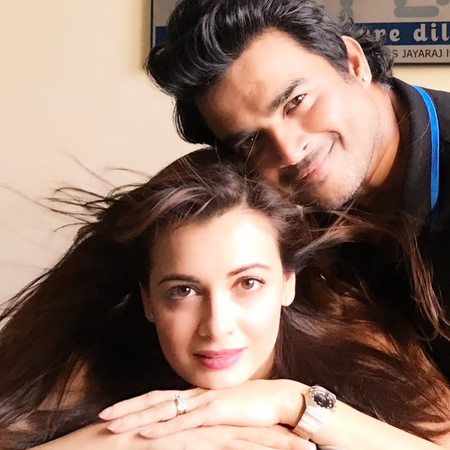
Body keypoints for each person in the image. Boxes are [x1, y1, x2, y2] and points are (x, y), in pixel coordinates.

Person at [0, 149, 449, 450]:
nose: (216, 326)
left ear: (287, 284)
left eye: (248, 283)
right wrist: (134, 438)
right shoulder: (91, 381)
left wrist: (295, 403)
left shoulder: (364, 361)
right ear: (148, 301)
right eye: (183, 291)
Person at [146, 0, 450, 379]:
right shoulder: (256, 205)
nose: (290, 151)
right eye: (252, 140)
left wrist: (303, 404)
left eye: (297, 102)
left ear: (354, 64)